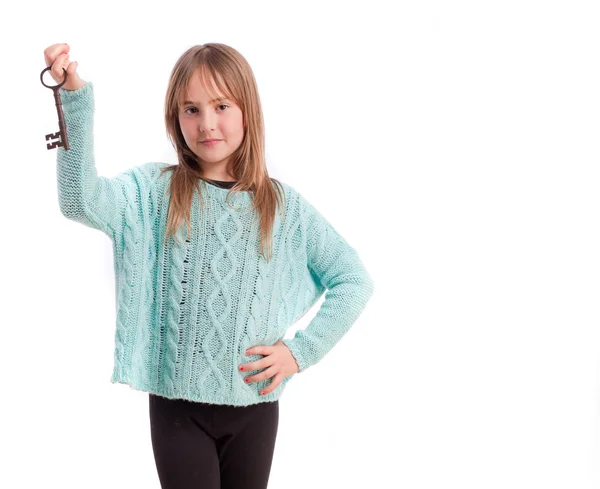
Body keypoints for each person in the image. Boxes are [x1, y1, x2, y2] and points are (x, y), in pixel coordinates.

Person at [43, 42, 375, 489]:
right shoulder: (153, 193)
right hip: (177, 407)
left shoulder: (282, 208)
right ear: (176, 119)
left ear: (247, 111)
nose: (207, 123)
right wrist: (73, 99)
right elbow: (78, 200)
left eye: (221, 106)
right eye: (191, 110)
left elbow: (353, 280)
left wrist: (301, 353)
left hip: (255, 406)